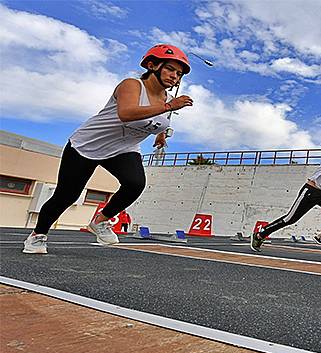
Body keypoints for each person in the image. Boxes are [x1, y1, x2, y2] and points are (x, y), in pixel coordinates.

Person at [22, 44, 194, 254]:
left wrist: (160, 135)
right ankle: (38, 235)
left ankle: (101, 220)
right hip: (88, 145)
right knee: (66, 195)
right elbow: (127, 113)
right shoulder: (132, 85)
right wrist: (169, 107)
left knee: (135, 183)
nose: (175, 76)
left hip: (123, 148)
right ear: (152, 65)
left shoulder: (167, 101)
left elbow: (158, 120)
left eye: (179, 74)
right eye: (170, 69)